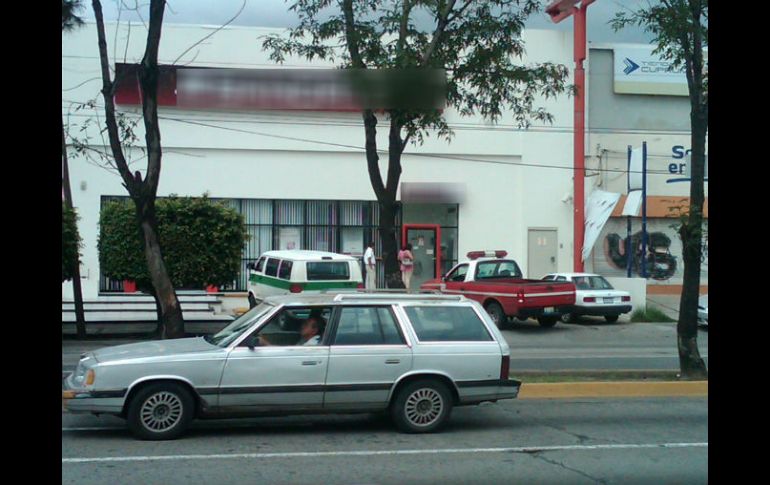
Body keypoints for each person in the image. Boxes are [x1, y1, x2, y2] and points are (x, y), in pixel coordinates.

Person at [259, 316, 323, 346]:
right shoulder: (304, 339)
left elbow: (288, 356)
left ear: (314, 331)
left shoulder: (311, 345)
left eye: (306, 325)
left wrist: (265, 344)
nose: (302, 326)